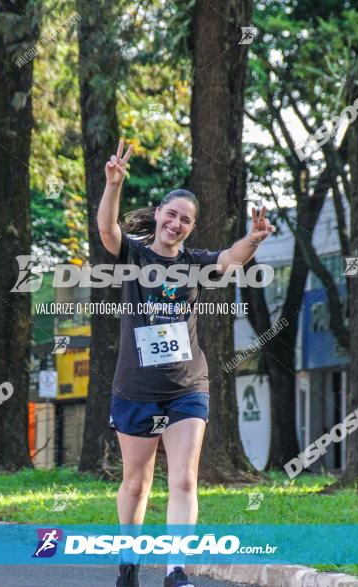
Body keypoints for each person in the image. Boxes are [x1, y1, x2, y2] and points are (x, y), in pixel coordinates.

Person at [97, 141, 274, 587]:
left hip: (187, 386)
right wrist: (113, 185)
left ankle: (176, 570)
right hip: (135, 388)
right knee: (136, 484)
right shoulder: (134, 256)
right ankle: (128, 563)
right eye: (171, 214)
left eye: (186, 220)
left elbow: (232, 259)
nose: (176, 224)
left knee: (184, 479)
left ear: (192, 228)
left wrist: (252, 240)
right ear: (158, 214)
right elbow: (106, 229)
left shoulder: (195, 264)